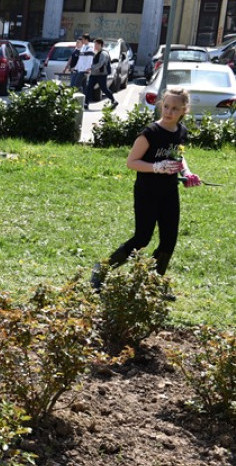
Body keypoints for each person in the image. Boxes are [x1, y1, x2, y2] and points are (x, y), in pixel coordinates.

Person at [90, 87, 203, 293]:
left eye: (175, 108)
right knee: (142, 238)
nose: (168, 112)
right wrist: (157, 167)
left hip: (169, 192)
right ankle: (101, 270)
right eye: (166, 106)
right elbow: (131, 162)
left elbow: (178, 155)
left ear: (184, 110)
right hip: (147, 193)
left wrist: (186, 173)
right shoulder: (150, 133)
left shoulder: (181, 131)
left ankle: (153, 285)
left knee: (169, 240)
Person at [85, 38, 118, 110]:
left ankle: (113, 100)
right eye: (95, 44)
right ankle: (86, 103)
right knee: (89, 88)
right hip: (94, 75)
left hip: (101, 75)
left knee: (104, 89)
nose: (95, 46)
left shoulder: (104, 53)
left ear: (100, 45)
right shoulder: (96, 52)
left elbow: (100, 64)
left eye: (96, 44)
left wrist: (91, 68)